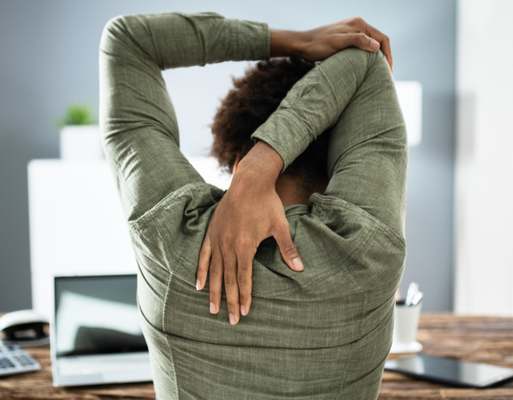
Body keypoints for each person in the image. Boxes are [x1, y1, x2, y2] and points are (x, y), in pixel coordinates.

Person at [99, 11, 407, 399]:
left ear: (236, 160)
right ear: (340, 160)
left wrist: (293, 40)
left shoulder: (169, 234)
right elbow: (366, 57)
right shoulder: (365, 248)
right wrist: (268, 159)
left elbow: (129, 39)